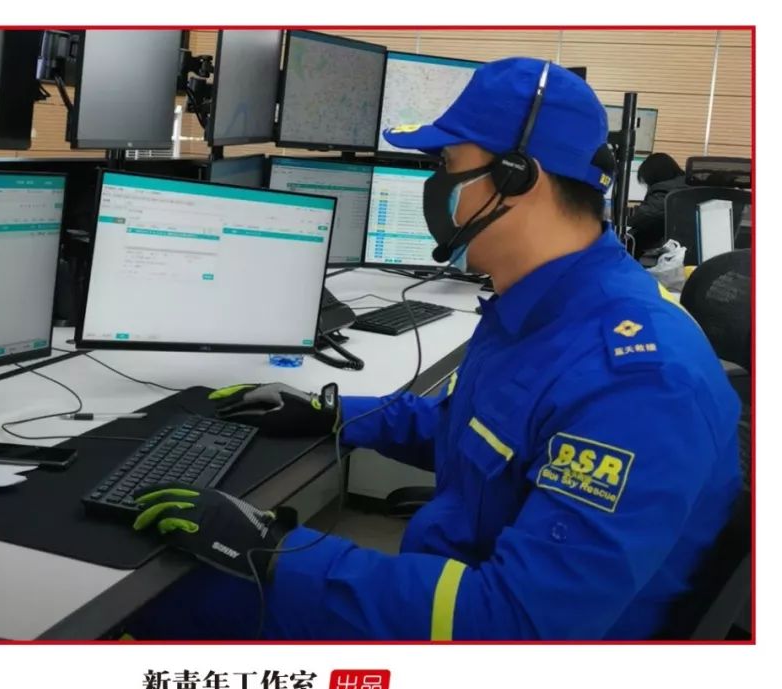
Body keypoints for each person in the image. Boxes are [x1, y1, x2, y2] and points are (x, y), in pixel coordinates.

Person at [126, 58, 742, 641]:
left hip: (490, 641)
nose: (434, 184)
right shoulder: (542, 306)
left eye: (447, 163)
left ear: (517, 178)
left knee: (159, 596)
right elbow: (475, 430)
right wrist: (334, 413)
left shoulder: (639, 383)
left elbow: (512, 626)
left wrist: (278, 552)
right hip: (455, 588)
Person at [627, 152, 689, 257]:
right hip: (685, 244)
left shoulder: (663, 190)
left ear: (653, 177)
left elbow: (644, 216)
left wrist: (619, 217)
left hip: (668, 248)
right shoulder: (686, 184)